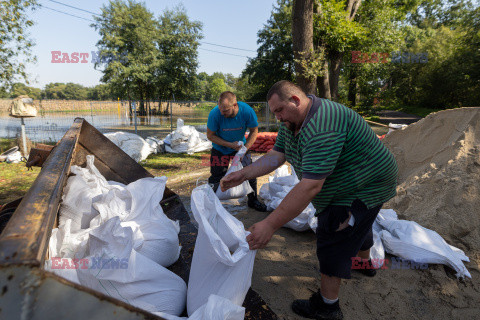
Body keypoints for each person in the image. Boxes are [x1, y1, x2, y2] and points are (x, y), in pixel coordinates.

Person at [220, 81, 398, 320]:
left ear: (295, 100)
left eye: (279, 111)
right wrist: (243, 174)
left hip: (366, 183)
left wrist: (269, 225)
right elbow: (276, 155)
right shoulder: (292, 120)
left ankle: (328, 307)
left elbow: (310, 186)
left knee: (335, 230)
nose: (278, 118)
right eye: (275, 113)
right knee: (358, 224)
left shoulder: (323, 125)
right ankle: (363, 265)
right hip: (350, 177)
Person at [206, 91, 267, 212]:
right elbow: (210, 136)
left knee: (250, 172)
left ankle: (253, 200)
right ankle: (211, 203)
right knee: (216, 176)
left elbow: (254, 131)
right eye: (220, 110)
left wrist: (245, 148)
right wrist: (229, 145)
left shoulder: (246, 111)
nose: (222, 113)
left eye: (226, 110)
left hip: (240, 148)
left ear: (235, 105)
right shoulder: (215, 114)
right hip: (220, 148)